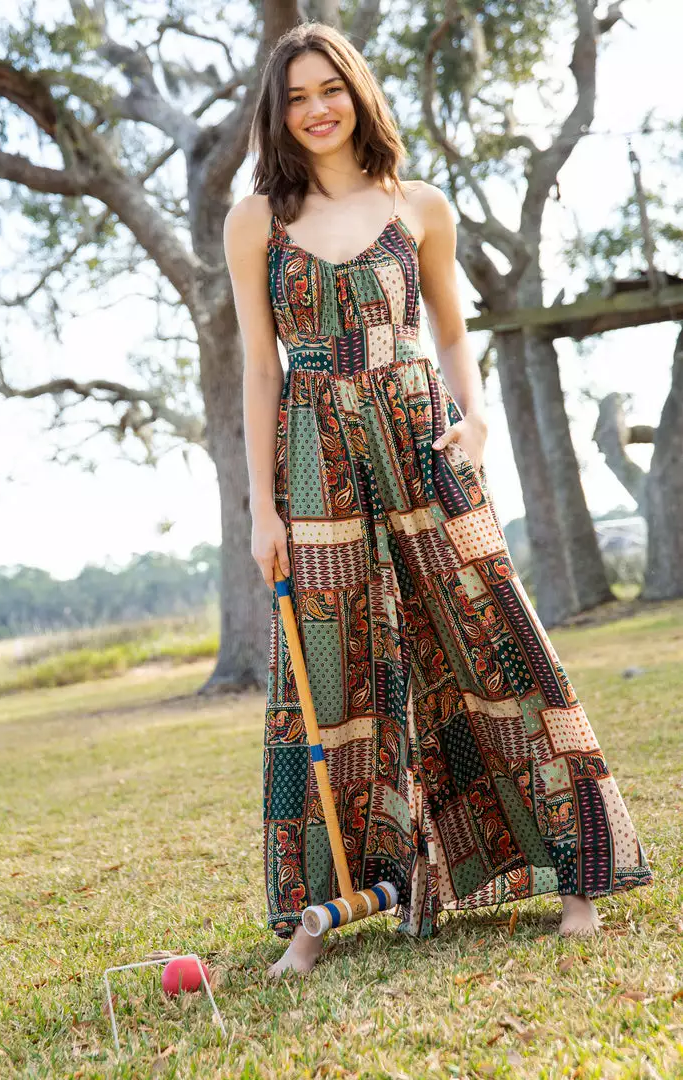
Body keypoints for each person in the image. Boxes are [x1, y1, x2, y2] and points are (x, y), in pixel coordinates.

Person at [223, 22, 654, 979]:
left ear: (358, 93)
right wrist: (262, 508)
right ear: (276, 114)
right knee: (328, 670)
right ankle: (320, 909)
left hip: (422, 438)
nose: (317, 109)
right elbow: (259, 368)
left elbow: (453, 335)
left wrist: (478, 420)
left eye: (330, 89)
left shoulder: (416, 205)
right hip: (316, 456)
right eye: (296, 97)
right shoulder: (256, 220)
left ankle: (575, 875)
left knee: (490, 635)